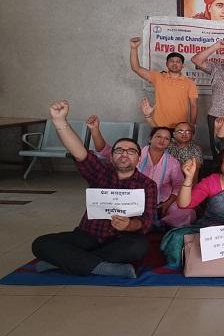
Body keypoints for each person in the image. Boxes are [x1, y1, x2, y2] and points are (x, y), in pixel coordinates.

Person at [31, 100, 157, 278]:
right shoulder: (101, 173)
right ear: (111, 157)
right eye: (119, 150)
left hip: (120, 239)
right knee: (41, 243)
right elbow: (80, 152)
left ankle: (64, 263)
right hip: (88, 236)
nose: (124, 154)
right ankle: (105, 268)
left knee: (139, 247)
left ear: (139, 159)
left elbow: (147, 220)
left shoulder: (147, 184)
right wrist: (60, 122)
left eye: (131, 151)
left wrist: (129, 224)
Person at [88, 118, 196, 228]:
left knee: (188, 213)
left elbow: (178, 185)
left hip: (162, 203)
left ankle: (158, 224)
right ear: (150, 139)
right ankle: (152, 223)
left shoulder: (173, 162)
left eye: (166, 138)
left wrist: (168, 203)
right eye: (158, 136)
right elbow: (104, 150)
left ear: (169, 143)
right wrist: (95, 129)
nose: (162, 140)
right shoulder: (134, 152)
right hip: (131, 201)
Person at [129, 37, 198, 128]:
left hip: (180, 128)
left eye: (178, 62)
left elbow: (194, 106)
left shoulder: (190, 83)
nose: (174, 64)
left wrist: (192, 126)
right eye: (171, 61)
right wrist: (134, 48)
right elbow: (136, 68)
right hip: (158, 126)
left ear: (183, 65)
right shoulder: (157, 77)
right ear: (166, 64)